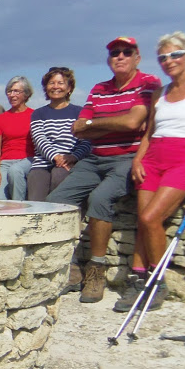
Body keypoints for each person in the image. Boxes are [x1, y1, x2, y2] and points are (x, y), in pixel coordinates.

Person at [47, 36, 161, 303]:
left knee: (100, 198)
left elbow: (134, 123)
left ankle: (96, 271)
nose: (120, 57)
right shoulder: (99, 88)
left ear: (137, 57)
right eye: (114, 53)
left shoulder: (148, 83)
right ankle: (72, 267)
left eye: (126, 52)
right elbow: (77, 128)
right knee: (56, 202)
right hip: (95, 158)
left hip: (127, 158)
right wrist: (111, 123)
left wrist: (96, 124)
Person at [114, 31, 185, 312]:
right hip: (154, 158)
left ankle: (157, 282)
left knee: (151, 217)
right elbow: (150, 131)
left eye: (175, 54)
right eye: (163, 57)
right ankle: (138, 279)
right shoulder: (160, 93)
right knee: (143, 220)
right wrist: (138, 159)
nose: (169, 61)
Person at [27, 68, 90, 201]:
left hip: (70, 162)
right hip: (43, 162)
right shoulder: (38, 114)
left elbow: (86, 141)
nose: (56, 87)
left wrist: (73, 156)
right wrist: (55, 157)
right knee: (36, 193)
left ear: (69, 88)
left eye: (60, 83)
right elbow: (39, 139)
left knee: (60, 178)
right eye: (51, 83)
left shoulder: (80, 112)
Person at [0, 76, 35, 200]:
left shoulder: (34, 115)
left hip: (27, 160)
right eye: (9, 91)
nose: (12, 95)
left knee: (15, 171)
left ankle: (18, 209)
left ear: (26, 94)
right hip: (5, 163)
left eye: (16, 91)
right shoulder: (1, 118)